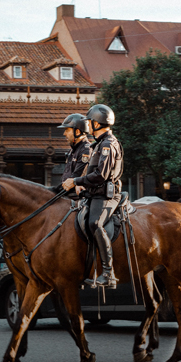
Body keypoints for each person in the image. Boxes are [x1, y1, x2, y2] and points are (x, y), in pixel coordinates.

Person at [62, 104, 123, 288]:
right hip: (95, 194)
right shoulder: (98, 144)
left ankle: (108, 273)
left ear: (97, 123)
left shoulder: (108, 144)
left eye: (90, 121)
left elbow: (101, 176)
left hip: (107, 196)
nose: (88, 125)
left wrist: (76, 181)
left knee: (94, 223)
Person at [55, 113, 91, 196]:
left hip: (76, 197)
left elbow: (74, 178)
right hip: (67, 194)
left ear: (77, 132)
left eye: (67, 130)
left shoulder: (86, 150)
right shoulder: (73, 150)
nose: (64, 133)